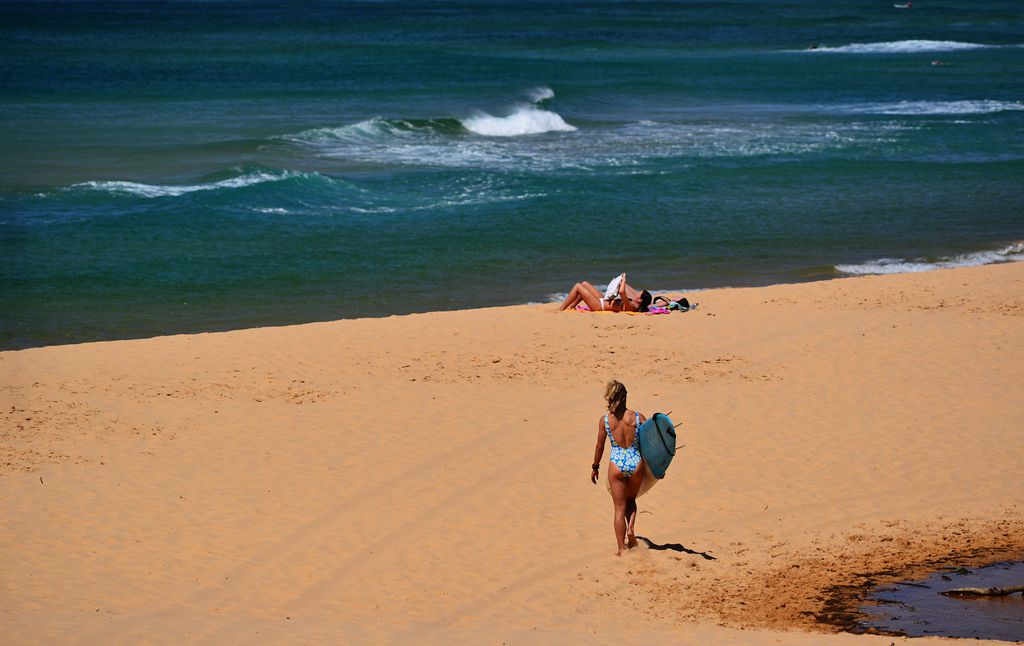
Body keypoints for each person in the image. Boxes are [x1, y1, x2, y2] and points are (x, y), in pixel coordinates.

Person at [590, 379, 648, 556]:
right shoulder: (638, 418)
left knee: (618, 508)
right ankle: (630, 529)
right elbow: (650, 444)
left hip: (616, 464)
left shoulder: (606, 420)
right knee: (631, 501)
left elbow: (599, 446)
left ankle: (621, 550)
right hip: (635, 462)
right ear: (624, 398)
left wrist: (595, 466)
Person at [559, 273, 652, 312]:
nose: (636, 294)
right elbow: (624, 288)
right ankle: (571, 307)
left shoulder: (631, 306)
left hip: (599, 306)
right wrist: (618, 281)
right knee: (584, 284)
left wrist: (624, 279)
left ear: (640, 300)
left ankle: (561, 309)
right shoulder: (634, 303)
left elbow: (622, 292)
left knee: (578, 286)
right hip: (603, 300)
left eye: (638, 294)